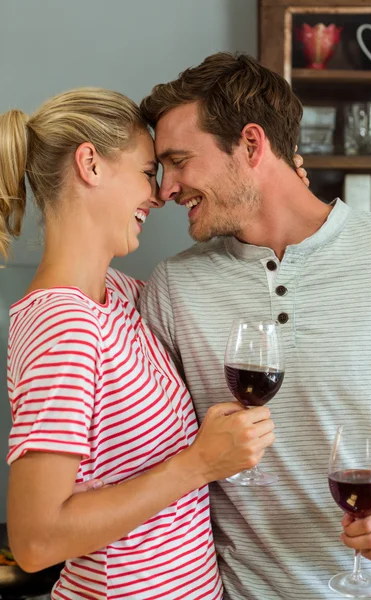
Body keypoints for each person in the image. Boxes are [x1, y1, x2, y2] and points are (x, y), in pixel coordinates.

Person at [139, 52, 371, 599]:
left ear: (251, 145)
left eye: (180, 161)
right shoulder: (171, 289)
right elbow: (147, 462)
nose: (165, 189)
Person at [0, 87, 277, 600]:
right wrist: (198, 464)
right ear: (91, 164)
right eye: (149, 171)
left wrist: (277, 195)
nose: (157, 195)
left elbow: (215, 295)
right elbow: (36, 540)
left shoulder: (124, 296)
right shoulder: (61, 324)